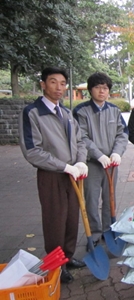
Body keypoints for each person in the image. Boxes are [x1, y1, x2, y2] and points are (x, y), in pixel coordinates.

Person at [19, 67, 88, 284]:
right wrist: (63, 166)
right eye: (53, 82)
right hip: (52, 175)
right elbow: (32, 151)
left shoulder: (66, 113)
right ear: (43, 84)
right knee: (55, 221)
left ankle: (67, 258)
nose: (59, 88)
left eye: (62, 83)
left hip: (73, 174)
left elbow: (80, 141)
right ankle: (56, 265)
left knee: (71, 219)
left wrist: (80, 161)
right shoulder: (33, 113)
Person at [73, 72, 128, 249]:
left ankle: (108, 229)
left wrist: (117, 153)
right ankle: (94, 233)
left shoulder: (114, 110)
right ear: (90, 90)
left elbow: (122, 134)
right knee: (91, 199)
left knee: (109, 197)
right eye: (97, 87)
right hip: (92, 164)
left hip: (111, 164)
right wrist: (99, 155)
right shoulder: (81, 111)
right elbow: (82, 137)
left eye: (105, 88)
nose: (101, 91)